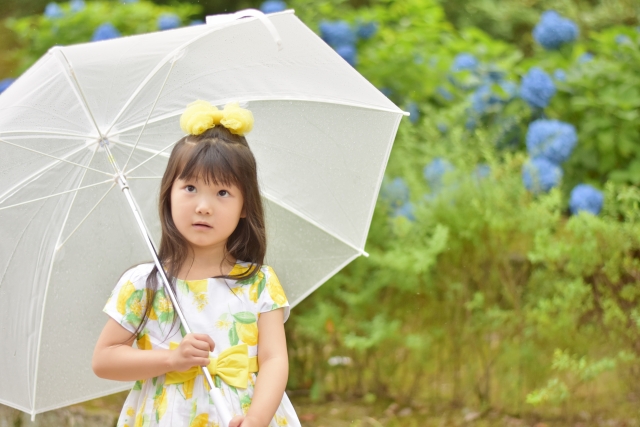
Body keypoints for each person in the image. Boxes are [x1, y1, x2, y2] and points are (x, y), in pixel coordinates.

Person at [92, 100, 301, 427]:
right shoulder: (145, 283)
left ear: (245, 205)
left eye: (222, 193)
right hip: (168, 416)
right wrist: (171, 359)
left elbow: (274, 358)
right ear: (169, 194)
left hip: (241, 414)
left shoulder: (258, 282)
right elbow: (104, 359)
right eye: (190, 188)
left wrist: (258, 417)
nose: (203, 206)